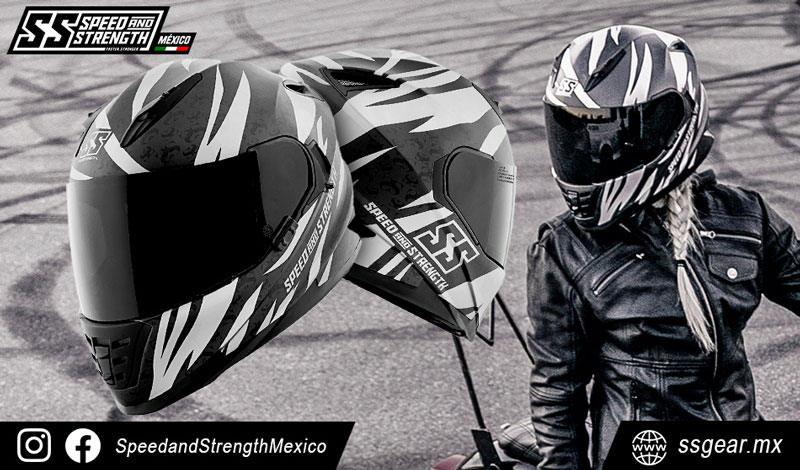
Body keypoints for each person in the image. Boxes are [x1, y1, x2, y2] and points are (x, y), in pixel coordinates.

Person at [519, 25, 800, 469]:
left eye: (608, 133)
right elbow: (557, 391)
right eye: (576, 130)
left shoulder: (744, 217)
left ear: (668, 127)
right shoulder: (565, 249)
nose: (593, 149)